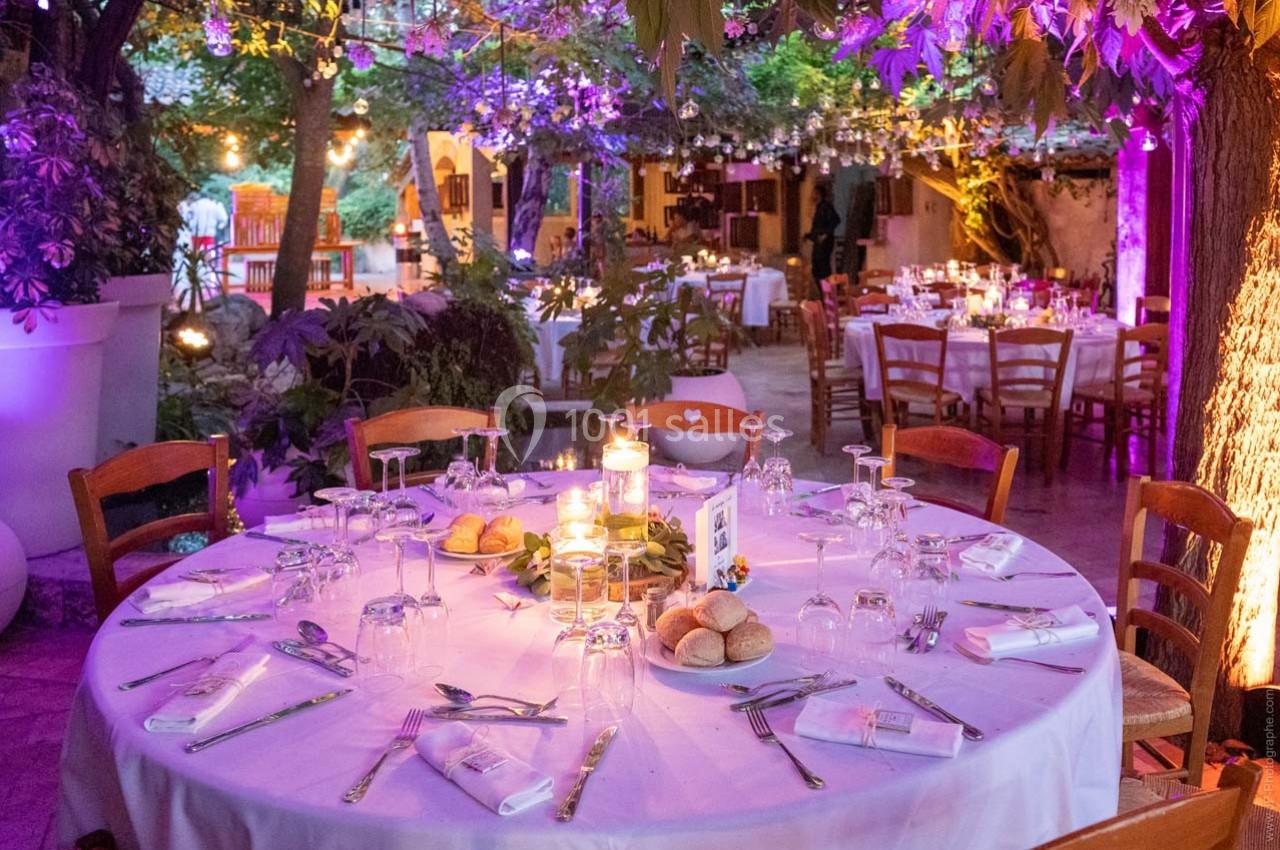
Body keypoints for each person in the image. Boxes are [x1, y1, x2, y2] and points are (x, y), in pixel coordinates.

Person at [804, 184, 840, 294]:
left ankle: (827, 294)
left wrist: (825, 234)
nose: (812, 196)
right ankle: (823, 294)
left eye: (814, 193)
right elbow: (818, 227)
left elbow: (836, 220)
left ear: (818, 194)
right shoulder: (819, 207)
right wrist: (809, 236)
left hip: (824, 244)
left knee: (823, 269)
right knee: (816, 269)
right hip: (818, 243)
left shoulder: (826, 207)